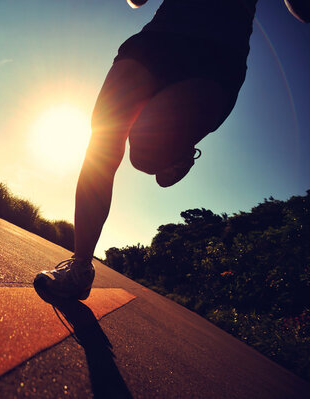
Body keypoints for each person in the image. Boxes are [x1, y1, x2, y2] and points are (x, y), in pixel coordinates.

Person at [34, 0, 308, 301]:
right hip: (159, 37)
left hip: (218, 51)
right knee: (102, 136)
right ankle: (80, 268)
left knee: (143, 156)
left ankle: (175, 153)